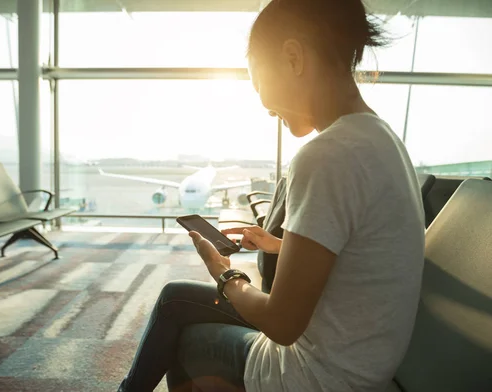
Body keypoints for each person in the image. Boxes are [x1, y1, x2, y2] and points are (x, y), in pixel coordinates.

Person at [118, 0, 425, 390]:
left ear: (293, 58)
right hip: (361, 359)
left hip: (317, 376)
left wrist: (225, 275)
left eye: (257, 81)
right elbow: (365, 253)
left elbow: (282, 324)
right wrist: (281, 244)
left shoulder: (327, 155)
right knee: (175, 298)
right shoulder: (381, 139)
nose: (263, 105)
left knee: (184, 331)